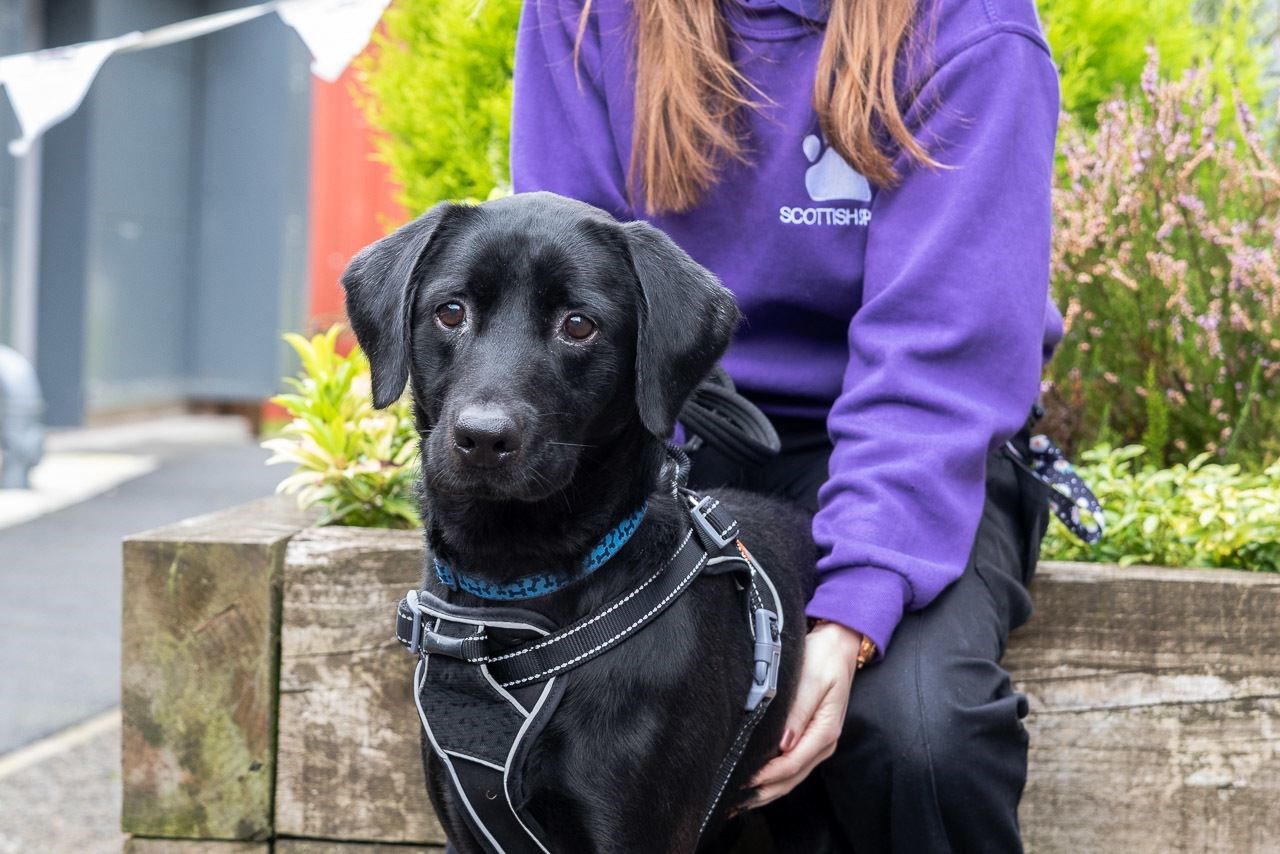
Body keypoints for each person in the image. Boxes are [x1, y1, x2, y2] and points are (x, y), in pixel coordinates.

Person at [510, 0, 1060, 849]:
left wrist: (848, 622)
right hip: (676, 438)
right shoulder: (587, 15)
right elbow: (566, 291)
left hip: (917, 451)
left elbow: (939, 363)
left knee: (920, 739)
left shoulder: (970, 28)